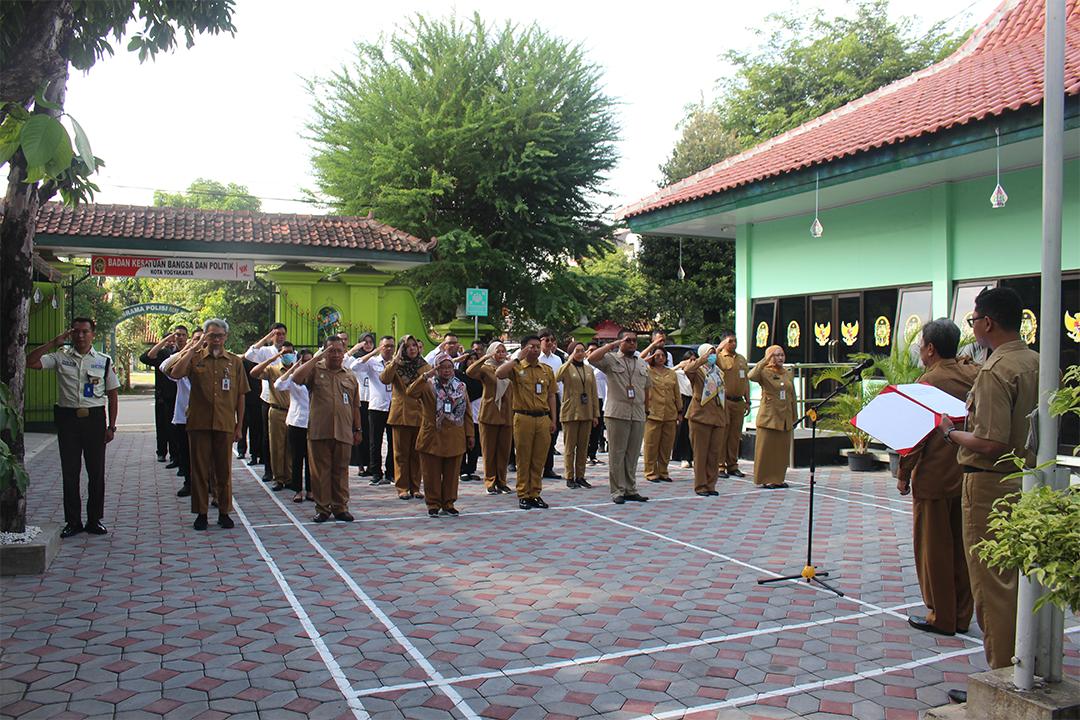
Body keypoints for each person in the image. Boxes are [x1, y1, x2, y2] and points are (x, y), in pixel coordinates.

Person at [936, 287, 1039, 676]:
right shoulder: (1036, 362)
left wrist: (951, 433)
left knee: (992, 585)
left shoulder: (997, 370)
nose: (973, 327)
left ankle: (1002, 676)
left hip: (991, 485)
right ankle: (1028, 666)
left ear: (988, 323)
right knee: (1020, 582)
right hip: (1027, 480)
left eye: (974, 320)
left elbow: (993, 442)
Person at [897, 318, 978, 638]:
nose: (919, 351)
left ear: (930, 349)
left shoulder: (929, 381)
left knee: (934, 550)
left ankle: (941, 616)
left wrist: (904, 474)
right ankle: (960, 615)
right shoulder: (973, 372)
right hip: (967, 472)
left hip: (933, 476)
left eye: (921, 346)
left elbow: (916, 434)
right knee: (962, 548)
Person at [27, 317, 120, 538]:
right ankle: (73, 521)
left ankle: (94, 519)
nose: (80, 336)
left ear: (92, 335)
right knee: (70, 472)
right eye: (76, 331)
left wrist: (112, 426)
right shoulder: (60, 357)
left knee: (95, 472)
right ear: (71, 334)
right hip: (68, 421)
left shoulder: (104, 361)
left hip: (95, 420)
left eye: (85, 332)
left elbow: (113, 395)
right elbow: (29, 362)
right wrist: (52, 343)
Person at [167, 319, 248, 530]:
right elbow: (174, 373)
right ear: (205, 336)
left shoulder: (234, 361)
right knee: (199, 471)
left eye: (220, 336)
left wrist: (239, 426)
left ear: (226, 337)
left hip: (224, 423)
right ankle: (201, 513)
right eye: (212, 336)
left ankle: (224, 512)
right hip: (199, 423)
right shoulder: (194, 359)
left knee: (223, 471)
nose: (216, 340)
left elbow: (240, 394)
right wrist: (192, 349)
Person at [292, 337, 363, 522]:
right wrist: (316, 359)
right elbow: (296, 378)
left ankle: (340, 507)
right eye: (331, 350)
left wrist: (358, 429)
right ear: (324, 352)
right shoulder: (315, 370)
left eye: (340, 350)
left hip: (343, 431)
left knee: (340, 472)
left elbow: (355, 406)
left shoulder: (350, 375)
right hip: (320, 430)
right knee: (320, 472)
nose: (336, 354)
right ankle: (322, 509)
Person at [588, 331, 656, 504]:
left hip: (638, 413)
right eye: (628, 341)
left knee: (632, 454)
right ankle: (617, 490)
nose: (633, 344)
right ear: (620, 342)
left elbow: (647, 388)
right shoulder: (611, 359)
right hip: (617, 413)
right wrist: (612, 345)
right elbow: (592, 359)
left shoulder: (641, 362)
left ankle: (630, 489)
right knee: (617, 453)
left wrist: (646, 412)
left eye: (635, 341)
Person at [408, 352, 476, 517]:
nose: (446, 370)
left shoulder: (460, 387)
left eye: (449, 367)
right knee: (431, 472)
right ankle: (433, 504)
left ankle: (448, 503)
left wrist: (470, 434)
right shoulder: (428, 384)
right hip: (432, 435)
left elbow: (467, 412)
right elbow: (411, 393)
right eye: (442, 367)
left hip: (455, 435)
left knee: (452, 474)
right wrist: (426, 376)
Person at [495, 334, 557, 509]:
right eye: (531, 347)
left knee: (539, 458)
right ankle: (523, 493)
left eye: (538, 346)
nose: (536, 349)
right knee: (523, 458)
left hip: (543, 418)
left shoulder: (546, 369)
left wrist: (553, 419)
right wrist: (517, 359)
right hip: (523, 417)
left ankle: (535, 493)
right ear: (523, 348)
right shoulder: (517, 368)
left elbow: (551, 395)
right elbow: (499, 373)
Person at [380, 334, 432, 500]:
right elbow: (384, 379)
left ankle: (415, 487)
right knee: (401, 453)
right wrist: (395, 360)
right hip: (401, 414)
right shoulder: (396, 365)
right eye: (407, 346)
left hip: (419, 413)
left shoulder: (424, 366)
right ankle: (402, 487)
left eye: (414, 345)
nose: (412, 349)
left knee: (417, 453)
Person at [160, 327, 203, 498]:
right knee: (186, 452)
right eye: (196, 339)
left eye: (203, 339)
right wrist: (189, 349)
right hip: (184, 415)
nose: (200, 342)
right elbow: (164, 367)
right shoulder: (184, 361)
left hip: (204, 415)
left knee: (204, 454)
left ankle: (206, 483)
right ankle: (188, 482)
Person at [467, 341, 515, 494]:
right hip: (489, 414)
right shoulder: (486, 369)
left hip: (507, 414)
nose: (500, 354)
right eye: (497, 351)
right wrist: (484, 357)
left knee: (504, 450)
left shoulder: (510, 368)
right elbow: (470, 371)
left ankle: (502, 481)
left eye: (503, 351)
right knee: (489, 450)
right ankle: (490, 481)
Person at [749, 345, 799, 489]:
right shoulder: (765, 372)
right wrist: (764, 361)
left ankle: (778, 478)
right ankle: (766, 478)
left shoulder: (787, 373)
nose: (780, 358)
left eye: (782, 355)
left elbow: (792, 396)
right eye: (776, 355)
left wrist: (794, 417)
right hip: (770, 416)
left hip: (785, 418)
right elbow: (751, 376)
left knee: (781, 450)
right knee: (767, 450)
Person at [245, 323, 288, 482]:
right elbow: (249, 355)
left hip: (286, 399)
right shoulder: (266, 351)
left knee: (285, 437)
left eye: (283, 334)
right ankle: (269, 469)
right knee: (266, 435)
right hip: (268, 398)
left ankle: (284, 470)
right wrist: (266, 339)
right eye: (277, 334)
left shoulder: (290, 352)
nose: (280, 337)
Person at [249, 343, 296, 492]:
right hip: (277, 411)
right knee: (276, 446)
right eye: (284, 352)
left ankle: (289, 478)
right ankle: (278, 478)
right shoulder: (273, 370)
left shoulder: (297, 371)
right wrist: (272, 358)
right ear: (280, 355)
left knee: (291, 446)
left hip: (293, 412)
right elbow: (254, 373)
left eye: (290, 352)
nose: (288, 354)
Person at [139, 324, 188, 465]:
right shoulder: (166, 353)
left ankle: (178, 456)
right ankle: (166, 454)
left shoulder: (189, 352)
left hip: (183, 394)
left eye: (183, 335)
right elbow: (148, 357)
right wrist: (164, 341)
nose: (179, 338)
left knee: (179, 428)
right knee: (165, 426)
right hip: (166, 394)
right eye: (176, 335)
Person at [554, 341, 600, 489]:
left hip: (586, 413)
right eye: (577, 351)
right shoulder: (567, 368)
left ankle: (581, 476)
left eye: (582, 351)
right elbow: (556, 378)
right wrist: (568, 361)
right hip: (570, 412)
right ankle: (570, 476)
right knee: (570, 447)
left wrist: (595, 414)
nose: (580, 353)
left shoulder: (588, 369)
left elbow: (593, 393)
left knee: (583, 447)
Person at [351, 335, 396, 487]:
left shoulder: (397, 362)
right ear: (380, 347)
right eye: (385, 346)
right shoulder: (372, 362)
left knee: (393, 442)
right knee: (374, 442)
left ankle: (391, 473)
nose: (388, 349)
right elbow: (354, 367)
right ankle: (376, 472)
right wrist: (373, 352)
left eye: (391, 346)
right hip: (377, 406)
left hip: (394, 407)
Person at [684, 343, 728, 496]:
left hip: (717, 417)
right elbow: (687, 370)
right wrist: (702, 360)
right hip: (700, 416)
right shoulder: (698, 371)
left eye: (713, 353)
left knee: (714, 453)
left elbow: (722, 395)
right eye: (709, 353)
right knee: (701, 453)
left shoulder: (719, 372)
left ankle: (711, 484)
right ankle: (701, 485)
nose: (712, 356)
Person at [274, 348, 315, 503]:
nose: (307, 364)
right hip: (297, 422)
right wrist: (293, 368)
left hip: (313, 423)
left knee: (311, 459)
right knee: (297, 458)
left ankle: (311, 490)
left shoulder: (316, 377)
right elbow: (278, 385)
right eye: (304, 361)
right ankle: (297, 490)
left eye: (310, 361)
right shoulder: (293, 379)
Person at [643, 345, 681, 483]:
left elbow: (677, 393)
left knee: (666, 445)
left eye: (663, 356)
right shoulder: (647, 371)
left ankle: (663, 471)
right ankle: (650, 471)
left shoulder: (671, 373)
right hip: (653, 413)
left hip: (670, 413)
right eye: (657, 355)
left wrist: (679, 411)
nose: (660, 358)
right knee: (651, 444)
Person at [717, 330, 750, 478]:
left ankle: (732, 465)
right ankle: (720, 465)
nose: (733, 344)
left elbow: (746, 381)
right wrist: (718, 348)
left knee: (735, 436)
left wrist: (747, 401)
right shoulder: (720, 358)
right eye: (730, 341)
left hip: (738, 402)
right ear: (724, 342)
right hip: (725, 401)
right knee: (723, 434)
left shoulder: (741, 359)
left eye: (735, 341)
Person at [537, 329, 565, 480]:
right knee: (539, 435)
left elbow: (558, 383)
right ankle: (537, 467)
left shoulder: (557, 359)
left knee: (552, 434)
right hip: (538, 400)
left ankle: (549, 468)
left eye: (552, 340)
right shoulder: (536, 358)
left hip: (554, 399)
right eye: (546, 340)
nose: (549, 343)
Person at [345, 332, 375, 476]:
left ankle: (371, 464)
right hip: (360, 401)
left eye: (370, 342)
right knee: (359, 431)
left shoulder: (377, 360)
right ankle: (360, 464)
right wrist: (353, 350)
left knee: (371, 435)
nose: (368, 345)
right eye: (365, 342)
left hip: (372, 401)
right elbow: (346, 364)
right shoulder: (355, 359)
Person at [456, 350, 483, 482]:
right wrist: (455, 360)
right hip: (462, 414)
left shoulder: (480, 376)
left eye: (474, 359)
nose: (472, 362)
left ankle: (472, 469)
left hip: (477, 414)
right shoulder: (458, 375)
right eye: (469, 359)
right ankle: (462, 469)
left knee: (475, 442)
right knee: (462, 442)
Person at [671, 350, 697, 469]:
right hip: (685, 401)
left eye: (694, 360)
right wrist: (680, 365)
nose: (692, 362)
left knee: (696, 430)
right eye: (690, 360)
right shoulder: (680, 374)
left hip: (697, 401)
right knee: (684, 429)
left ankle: (695, 456)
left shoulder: (699, 373)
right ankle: (684, 457)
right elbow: (667, 374)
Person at [585, 340, 607, 465]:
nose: (593, 353)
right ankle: (584, 454)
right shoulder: (583, 365)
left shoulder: (602, 366)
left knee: (597, 428)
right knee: (586, 429)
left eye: (595, 350)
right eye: (591, 350)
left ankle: (592, 455)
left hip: (599, 399)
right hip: (586, 400)